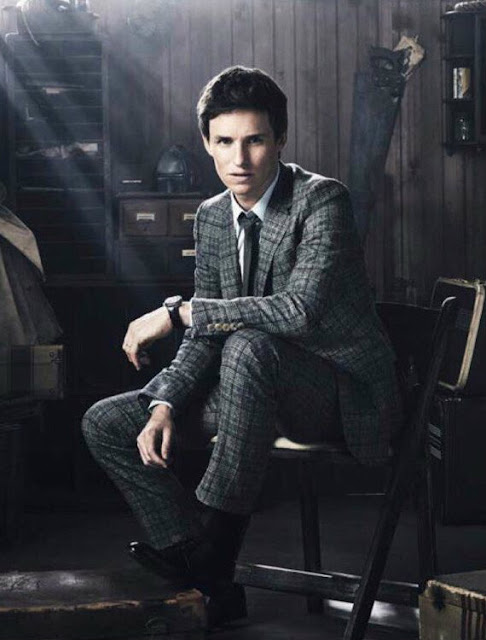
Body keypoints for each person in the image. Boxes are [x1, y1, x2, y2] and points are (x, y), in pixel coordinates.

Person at [82, 66, 402, 623]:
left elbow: (299, 311)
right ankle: (208, 575)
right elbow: (208, 335)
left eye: (255, 140)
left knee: (248, 346)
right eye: (225, 142)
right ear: (206, 143)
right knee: (106, 423)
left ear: (280, 139)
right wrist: (165, 403)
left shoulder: (323, 200)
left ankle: (217, 545)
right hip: (251, 387)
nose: (240, 159)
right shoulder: (211, 217)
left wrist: (177, 312)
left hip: (337, 393)